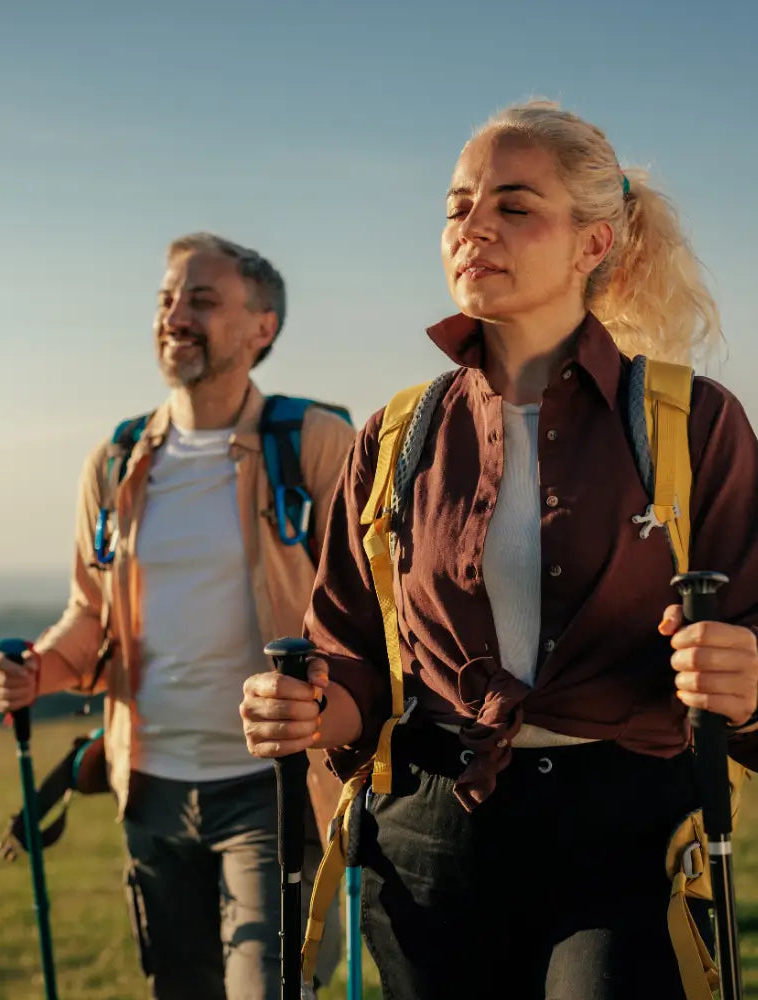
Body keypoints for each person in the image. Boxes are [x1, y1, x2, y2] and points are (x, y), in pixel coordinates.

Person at [241, 101, 758, 999]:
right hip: (431, 841)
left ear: (593, 244)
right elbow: (352, 654)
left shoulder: (692, 422)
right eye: (457, 206)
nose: (473, 226)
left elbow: (752, 630)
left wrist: (748, 680)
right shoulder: (396, 435)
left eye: (514, 206)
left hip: (627, 839)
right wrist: (312, 709)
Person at [0, 232, 353, 999]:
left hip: (272, 784)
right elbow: (92, 612)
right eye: (166, 299)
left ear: (262, 327)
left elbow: (364, 609)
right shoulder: (118, 461)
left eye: (202, 300)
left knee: (272, 989)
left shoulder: (314, 444)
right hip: (148, 786)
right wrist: (38, 670)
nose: (175, 315)